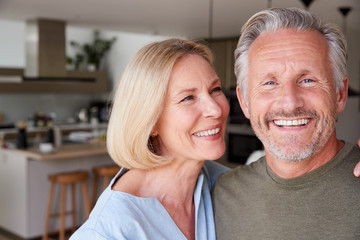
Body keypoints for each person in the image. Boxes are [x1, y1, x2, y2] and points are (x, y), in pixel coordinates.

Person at [212, 7, 360, 239]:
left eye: (308, 80)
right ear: (245, 101)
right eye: (270, 83)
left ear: (339, 94)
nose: (290, 104)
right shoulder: (219, 195)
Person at [70, 38, 230, 240]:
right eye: (188, 98)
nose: (215, 110)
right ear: (150, 121)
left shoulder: (225, 184)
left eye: (215, 89)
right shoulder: (107, 231)